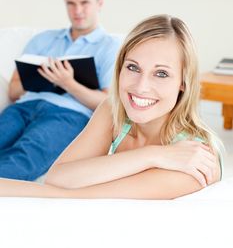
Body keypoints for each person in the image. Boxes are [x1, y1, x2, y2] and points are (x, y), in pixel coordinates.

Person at [0, 14, 222, 199]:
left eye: (161, 73)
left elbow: (74, 196)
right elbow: (58, 178)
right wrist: (154, 155)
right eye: (133, 68)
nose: (141, 87)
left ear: (183, 82)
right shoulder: (114, 110)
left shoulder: (196, 158)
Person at [0, 0, 121, 181]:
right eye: (71, 4)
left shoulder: (111, 47)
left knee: (24, 158)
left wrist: (67, 83)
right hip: (23, 108)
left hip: (68, 115)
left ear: (99, 3)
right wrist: (41, 76)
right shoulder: (43, 40)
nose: (78, 11)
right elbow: (13, 91)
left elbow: (108, 103)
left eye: (84, 3)